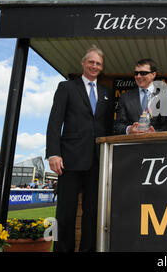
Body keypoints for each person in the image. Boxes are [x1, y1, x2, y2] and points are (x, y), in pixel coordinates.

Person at [46, 45, 114, 252]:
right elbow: (54, 122)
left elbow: (108, 128)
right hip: (69, 159)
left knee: (92, 211)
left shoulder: (106, 93)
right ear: (83, 63)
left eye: (98, 64)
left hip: (96, 161)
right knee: (65, 212)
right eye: (91, 62)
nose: (94, 66)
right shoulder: (66, 87)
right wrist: (53, 153)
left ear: (102, 68)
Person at [114, 58, 167, 134]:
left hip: (157, 144)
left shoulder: (164, 97)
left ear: (153, 75)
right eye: (136, 73)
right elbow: (118, 125)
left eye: (143, 73)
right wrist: (129, 129)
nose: (138, 76)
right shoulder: (125, 97)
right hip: (132, 144)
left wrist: (155, 133)